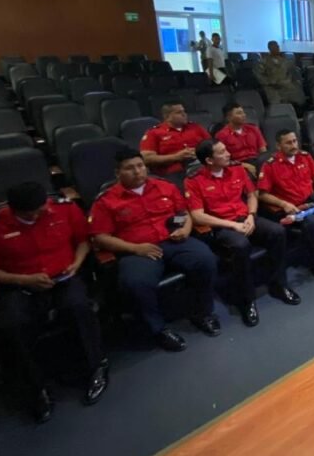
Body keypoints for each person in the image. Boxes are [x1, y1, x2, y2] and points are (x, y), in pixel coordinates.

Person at [0, 182, 107, 423]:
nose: (40, 215)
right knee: (12, 324)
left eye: (42, 209)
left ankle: (95, 366)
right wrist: (24, 280)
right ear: (15, 211)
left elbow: (83, 241)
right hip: (19, 284)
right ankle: (36, 388)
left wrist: (76, 263)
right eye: (31, 214)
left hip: (64, 276)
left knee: (78, 307)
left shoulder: (64, 209)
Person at [89, 148, 221, 352]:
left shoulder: (165, 186)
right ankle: (158, 329)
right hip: (138, 250)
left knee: (206, 260)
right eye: (130, 168)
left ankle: (202, 313)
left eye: (140, 166)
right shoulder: (106, 201)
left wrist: (185, 229)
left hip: (174, 241)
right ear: (117, 173)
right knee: (136, 283)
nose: (137, 171)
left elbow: (183, 212)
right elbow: (100, 237)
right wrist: (135, 248)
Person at [185, 139, 298, 328]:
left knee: (277, 232)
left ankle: (279, 284)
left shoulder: (237, 169)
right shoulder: (194, 180)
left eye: (226, 149)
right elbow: (197, 215)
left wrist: (251, 216)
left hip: (246, 218)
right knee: (241, 245)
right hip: (221, 226)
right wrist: (232, 225)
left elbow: (252, 195)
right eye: (222, 152)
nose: (228, 154)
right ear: (209, 160)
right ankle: (246, 300)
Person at [256, 129, 314, 284]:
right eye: (288, 143)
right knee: (311, 221)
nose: (294, 145)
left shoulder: (305, 157)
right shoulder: (270, 165)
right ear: (278, 145)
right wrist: (283, 204)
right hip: (291, 210)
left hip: (311, 203)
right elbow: (262, 194)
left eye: (295, 141)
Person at [140, 101, 212, 181]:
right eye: (179, 112)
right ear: (167, 117)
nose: (184, 114)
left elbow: (212, 145)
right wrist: (176, 157)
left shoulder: (195, 127)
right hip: (172, 174)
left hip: (200, 167)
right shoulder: (154, 133)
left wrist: (199, 152)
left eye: (184, 111)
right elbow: (146, 159)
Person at [214, 102, 267, 176]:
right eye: (239, 113)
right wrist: (243, 165)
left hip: (257, 161)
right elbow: (223, 159)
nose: (244, 115)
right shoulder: (221, 135)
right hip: (237, 165)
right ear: (229, 117)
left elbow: (263, 151)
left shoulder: (253, 129)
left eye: (243, 112)